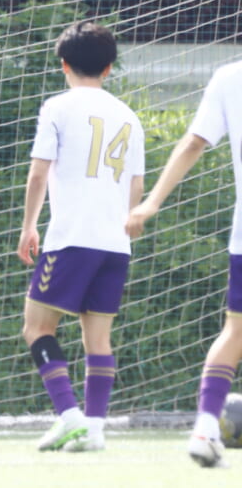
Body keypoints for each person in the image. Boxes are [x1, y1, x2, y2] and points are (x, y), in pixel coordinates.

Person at [16, 21, 145, 453]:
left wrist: (29, 225)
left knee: (37, 327)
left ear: (63, 64)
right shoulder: (129, 116)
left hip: (72, 238)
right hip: (116, 243)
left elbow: (39, 173)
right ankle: (94, 429)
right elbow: (136, 186)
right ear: (108, 68)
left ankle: (69, 415)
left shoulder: (57, 107)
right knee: (98, 339)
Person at [126, 58, 242, 469]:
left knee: (235, 332)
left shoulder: (229, 76)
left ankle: (205, 429)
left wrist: (151, 202)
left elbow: (193, 142)